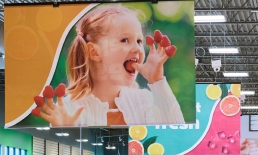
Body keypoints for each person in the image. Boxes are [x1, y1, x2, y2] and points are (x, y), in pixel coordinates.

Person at [32, 5, 185, 126]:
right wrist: (66, 133)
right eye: (125, 40)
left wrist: (157, 81)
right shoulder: (68, 110)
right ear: (94, 52)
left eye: (139, 41)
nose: (138, 48)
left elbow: (179, 138)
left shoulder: (145, 100)